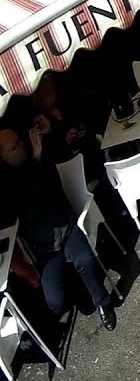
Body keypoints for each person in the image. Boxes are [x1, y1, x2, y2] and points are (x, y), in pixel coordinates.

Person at [0, 127, 117, 330]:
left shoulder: (40, 161)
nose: (21, 146)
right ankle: (76, 285)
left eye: (19, 141)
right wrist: (35, 160)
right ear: (4, 156)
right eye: (14, 147)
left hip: (67, 229)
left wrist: (37, 158)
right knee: (56, 304)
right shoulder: (7, 184)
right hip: (46, 250)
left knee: (85, 259)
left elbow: (52, 186)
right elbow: (23, 199)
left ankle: (103, 302)